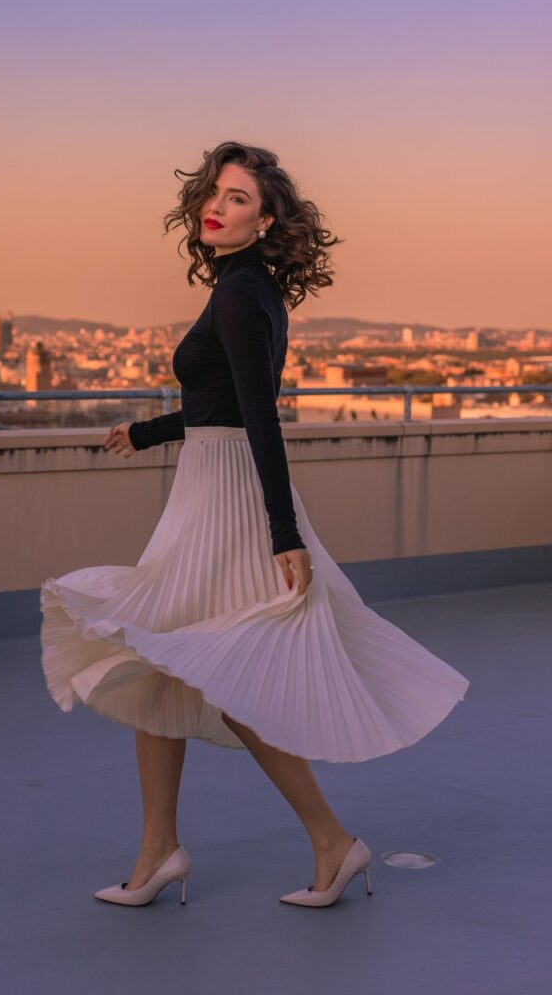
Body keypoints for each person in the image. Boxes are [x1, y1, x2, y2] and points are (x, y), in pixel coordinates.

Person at [40, 140, 470, 910]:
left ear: (265, 219)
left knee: (221, 672)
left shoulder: (240, 294)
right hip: (210, 485)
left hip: (229, 500)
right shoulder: (247, 288)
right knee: (162, 659)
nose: (217, 204)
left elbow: (260, 420)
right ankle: (161, 851)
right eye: (215, 192)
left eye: (238, 198)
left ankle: (331, 843)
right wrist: (145, 434)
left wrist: (283, 532)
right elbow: (223, 408)